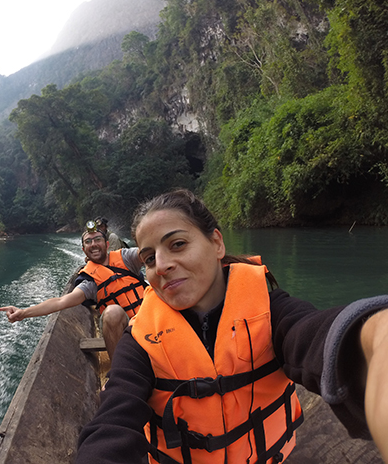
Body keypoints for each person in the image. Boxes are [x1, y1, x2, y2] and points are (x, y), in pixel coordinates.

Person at [76, 189, 388, 464]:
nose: (162, 265)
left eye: (178, 244)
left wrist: (375, 337)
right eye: (149, 258)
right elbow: (114, 421)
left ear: (216, 243)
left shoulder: (271, 310)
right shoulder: (140, 340)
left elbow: (321, 335)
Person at [0, 224, 147, 361]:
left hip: (151, 319)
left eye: (97, 239)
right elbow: (61, 302)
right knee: (112, 312)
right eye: (88, 242)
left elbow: (151, 251)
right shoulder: (90, 282)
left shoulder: (127, 257)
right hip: (124, 331)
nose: (93, 244)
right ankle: (119, 371)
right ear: (83, 249)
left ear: (107, 244)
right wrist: (23, 313)